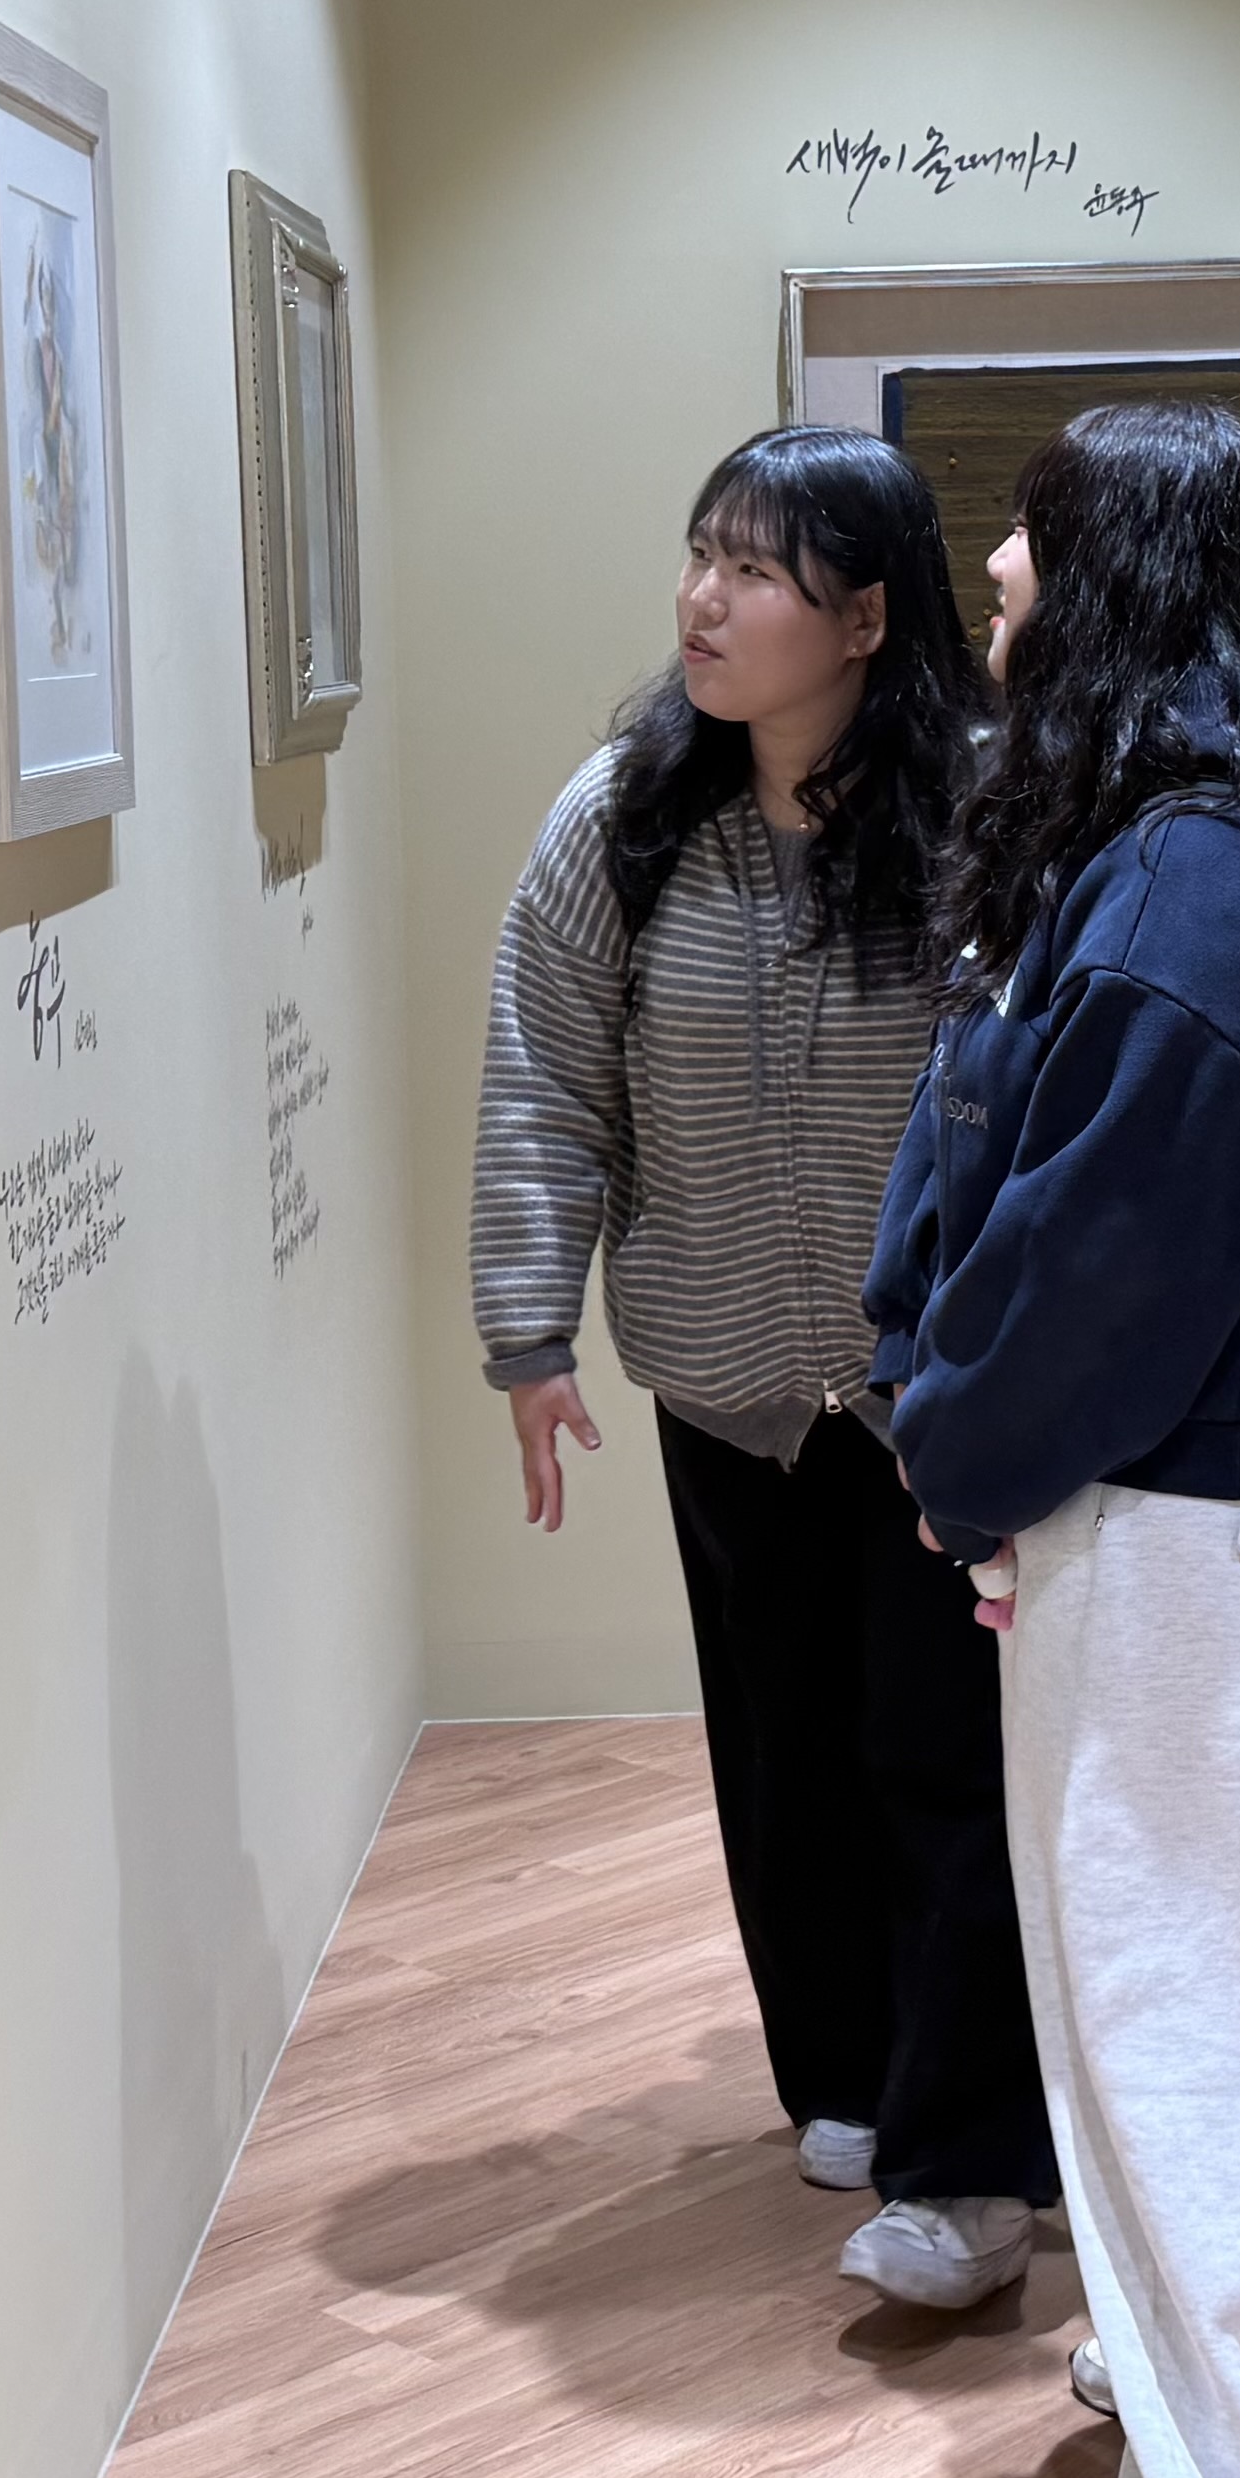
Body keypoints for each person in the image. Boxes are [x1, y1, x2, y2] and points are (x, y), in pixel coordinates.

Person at [863, 401, 1240, 2478]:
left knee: (1215, 2037)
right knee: (1152, 2009)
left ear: (1111, 588)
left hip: (1203, 1539)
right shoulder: (1155, 844)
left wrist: (955, 1432)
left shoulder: (1201, 896)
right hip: (1154, 1526)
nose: (991, 573)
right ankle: (1201, 2404)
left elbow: (1099, 1273)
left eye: (1028, 538)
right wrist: (959, 1413)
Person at [468, 423, 1056, 2311]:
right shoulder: (625, 815)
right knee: (783, 1747)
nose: (701, 601)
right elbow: (546, 1076)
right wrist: (527, 1328)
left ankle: (972, 2156)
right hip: (723, 1380)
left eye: (757, 568)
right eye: (699, 554)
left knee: (943, 1757)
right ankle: (849, 2075)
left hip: (930, 1402)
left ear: (869, 615)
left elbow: (1048, 1102)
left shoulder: (988, 816)